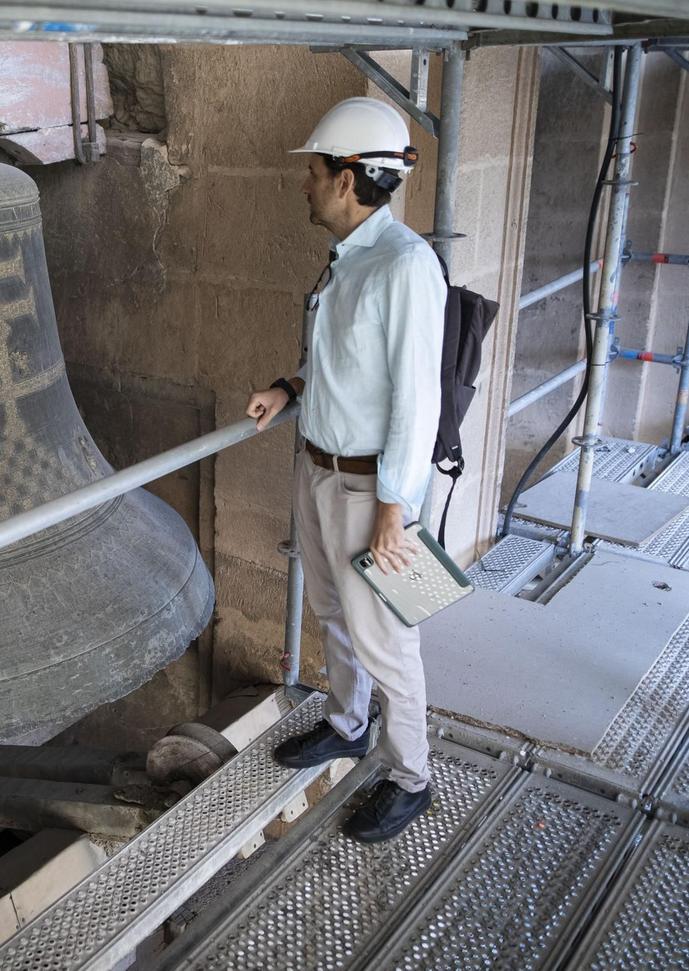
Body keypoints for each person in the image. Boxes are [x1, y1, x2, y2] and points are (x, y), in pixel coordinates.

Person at [245, 96, 446, 844]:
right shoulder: (350, 259)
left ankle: (411, 775)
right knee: (332, 611)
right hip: (320, 469)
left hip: (372, 490)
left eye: (313, 170)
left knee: (389, 637)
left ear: (346, 179)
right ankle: (348, 722)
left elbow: (415, 400)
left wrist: (395, 506)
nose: (304, 183)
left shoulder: (406, 266)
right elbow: (341, 365)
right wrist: (288, 389)